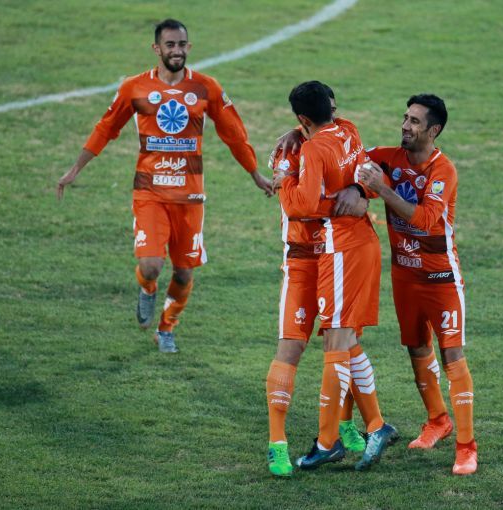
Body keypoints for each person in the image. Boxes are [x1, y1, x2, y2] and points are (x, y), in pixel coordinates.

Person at [57, 19, 272, 353]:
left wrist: (255, 174)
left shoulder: (206, 88)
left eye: (182, 44)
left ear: (189, 47)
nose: (177, 51)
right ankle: (147, 288)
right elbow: (106, 128)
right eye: (170, 45)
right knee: (151, 265)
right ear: (156, 49)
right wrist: (75, 169)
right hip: (150, 192)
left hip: (190, 196)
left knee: (184, 273)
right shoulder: (134, 87)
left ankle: (166, 328)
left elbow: (234, 134)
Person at [272, 81, 398, 473]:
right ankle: (374, 425)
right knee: (342, 341)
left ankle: (329, 441)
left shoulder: (310, 150)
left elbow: (303, 205)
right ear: (331, 109)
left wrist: (283, 182)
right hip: (348, 245)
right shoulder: (348, 129)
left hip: (341, 248)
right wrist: (358, 190)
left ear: (302, 117)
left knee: (337, 343)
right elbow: (364, 171)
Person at [358, 94, 477, 475]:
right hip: (405, 275)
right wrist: (300, 133)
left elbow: (425, 219)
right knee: (416, 348)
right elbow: (344, 157)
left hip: (441, 279)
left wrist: (382, 190)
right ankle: (438, 421)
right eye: (405, 118)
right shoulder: (387, 158)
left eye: (414, 122)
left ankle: (466, 447)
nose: (405, 126)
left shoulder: (443, 171)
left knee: (452, 356)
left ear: (433, 130)